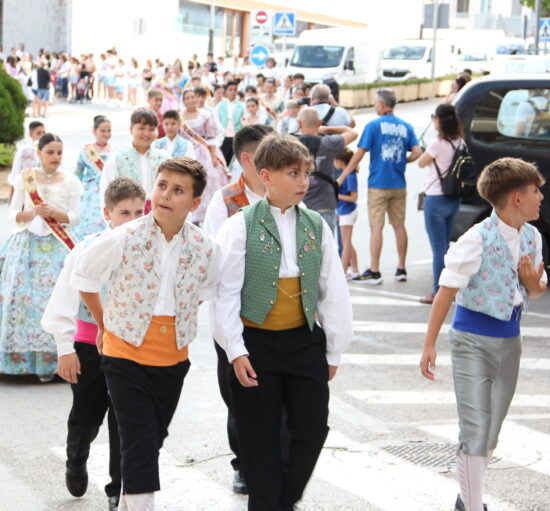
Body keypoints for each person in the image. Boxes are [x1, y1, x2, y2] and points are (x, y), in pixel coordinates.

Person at [72, 157, 220, 511]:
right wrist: (105, 322)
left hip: (172, 358)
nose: (166, 194)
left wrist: (175, 318)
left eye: (178, 190)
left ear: (195, 203)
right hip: (123, 353)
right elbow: (84, 275)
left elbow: (206, 290)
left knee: (151, 442)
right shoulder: (123, 236)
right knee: (138, 442)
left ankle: (127, 502)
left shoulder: (206, 247)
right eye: (162, 185)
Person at [215, 134, 352, 511]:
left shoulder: (315, 225)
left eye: (306, 173)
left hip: (303, 339)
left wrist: (334, 348)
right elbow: (225, 294)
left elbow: (332, 288)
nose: (304, 182)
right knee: (258, 437)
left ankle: (284, 498)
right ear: (266, 176)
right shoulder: (239, 226)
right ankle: (266, 503)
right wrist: (235, 351)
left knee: (311, 427)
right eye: (293, 173)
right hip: (254, 341)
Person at [419, 157, 547, 511]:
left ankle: (466, 498)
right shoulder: (477, 238)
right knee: (475, 431)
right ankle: (474, 506)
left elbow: (536, 290)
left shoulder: (533, 237)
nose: (541, 198)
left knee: (490, 432)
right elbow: (446, 289)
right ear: (517, 198)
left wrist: (532, 283)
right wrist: (429, 344)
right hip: (471, 342)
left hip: (511, 341)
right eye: (536, 191)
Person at [42, 177, 147, 511]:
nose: (131, 220)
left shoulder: (150, 252)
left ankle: (118, 488)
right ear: (107, 213)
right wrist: (65, 349)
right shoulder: (87, 248)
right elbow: (63, 302)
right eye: (123, 213)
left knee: (124, 420)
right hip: (89, 346)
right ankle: (76, 457)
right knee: (87, 417)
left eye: (137, 212)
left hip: (131, 349)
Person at [0, 134, 83, 381]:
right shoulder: (26, 179)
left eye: (59, 152)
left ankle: (60, 359)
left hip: (59, 246)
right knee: (23, 301)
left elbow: (76, 217)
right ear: (39, 153)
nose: (56, 157)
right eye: (50, 152)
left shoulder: (71, 182)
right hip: (26, 246)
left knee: (61, 300)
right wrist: (32, 213)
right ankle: (27, 361)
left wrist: (54, 213)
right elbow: (13, 213)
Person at [202, 124, 273, 494]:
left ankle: (272, 460)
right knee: (239, 394)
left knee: (277, 393)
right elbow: (217, 262)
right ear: (247, 160)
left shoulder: (287, 197)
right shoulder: (225, 200)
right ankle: (243, 462)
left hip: (278, 315)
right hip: (235, 315)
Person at [338, 88, 422, 285]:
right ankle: (401, 268)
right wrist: (403, 162)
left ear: (382, 104)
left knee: (376, 227)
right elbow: (417, 152)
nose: (375, 106)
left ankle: (375, 270)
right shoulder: (406, 127)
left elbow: (358, 154)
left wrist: (343, 176)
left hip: (378, 184)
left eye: (376, 103)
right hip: (398, 183)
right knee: (399, 225)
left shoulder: (374, 126)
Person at [416, 104, 465, 304]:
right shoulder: (460, 142)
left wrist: (423, 149)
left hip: (436, 198)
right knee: (445, 247)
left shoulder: (437, 143)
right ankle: (449, 289)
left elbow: (421, 162)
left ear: (438, 120)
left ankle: (439, 292)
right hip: (454, 198)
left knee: (438, 248)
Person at [297, 107, 357, 235]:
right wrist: (327, 129)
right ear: (319, 123)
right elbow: (352, 133)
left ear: (299, 124)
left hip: (300, 205)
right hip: (325, 203)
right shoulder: (328, 143)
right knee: (327, 249)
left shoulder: (292, 145)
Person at [99, 108, 170, 207]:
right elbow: (106, 191)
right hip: (128, 215)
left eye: (151, 129)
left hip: (159, 215)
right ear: (131, 129)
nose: (146, 133)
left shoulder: (164, 158)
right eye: (141, 128)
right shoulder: (119, 159)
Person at [179, 89, 230, 224]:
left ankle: (210, 215)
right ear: (184, 101)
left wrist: (213, 157)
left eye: (192, 97)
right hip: (187, 152)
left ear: (196, 99)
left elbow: (211, 138)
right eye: (187, 98)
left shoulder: (206, 115)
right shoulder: (180, 118)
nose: (190, 100)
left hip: (205, 151)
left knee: (209, 180)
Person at [74, 115, 112, 239]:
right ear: (94, 131)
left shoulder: (115, 151)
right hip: (90, 193)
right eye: (103, 130)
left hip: (109, 189)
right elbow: (77, 175)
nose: (106, 134)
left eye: (108, 130)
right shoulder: (86, 151)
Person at [335, 148, 360, 279]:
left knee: (345, 243)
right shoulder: (347, 174)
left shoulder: (350, 176)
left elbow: (353, 197)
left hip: (348, 211)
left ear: (340, 161)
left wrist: (337, 195)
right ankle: (355, 270)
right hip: (344, 210)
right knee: (347, 242)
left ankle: (343, 272)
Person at [216, 81, 245, 165]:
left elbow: (244, 120)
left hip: (236, 136)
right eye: (230, 90)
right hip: (223, 136)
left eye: (235, 90)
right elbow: (216, 120)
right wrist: (222, 130)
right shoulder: (220, 105)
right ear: (226, 91)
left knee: (234, 161)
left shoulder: (242, 106)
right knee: (223, 161)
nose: (233, 92)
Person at [9, 121, 45, 187]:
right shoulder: (24, 151)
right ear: (30, 135)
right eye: (38, 133)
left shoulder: (47, 151)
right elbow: (16, 172)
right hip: (27, 186)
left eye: (43, 133)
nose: (42, 136)